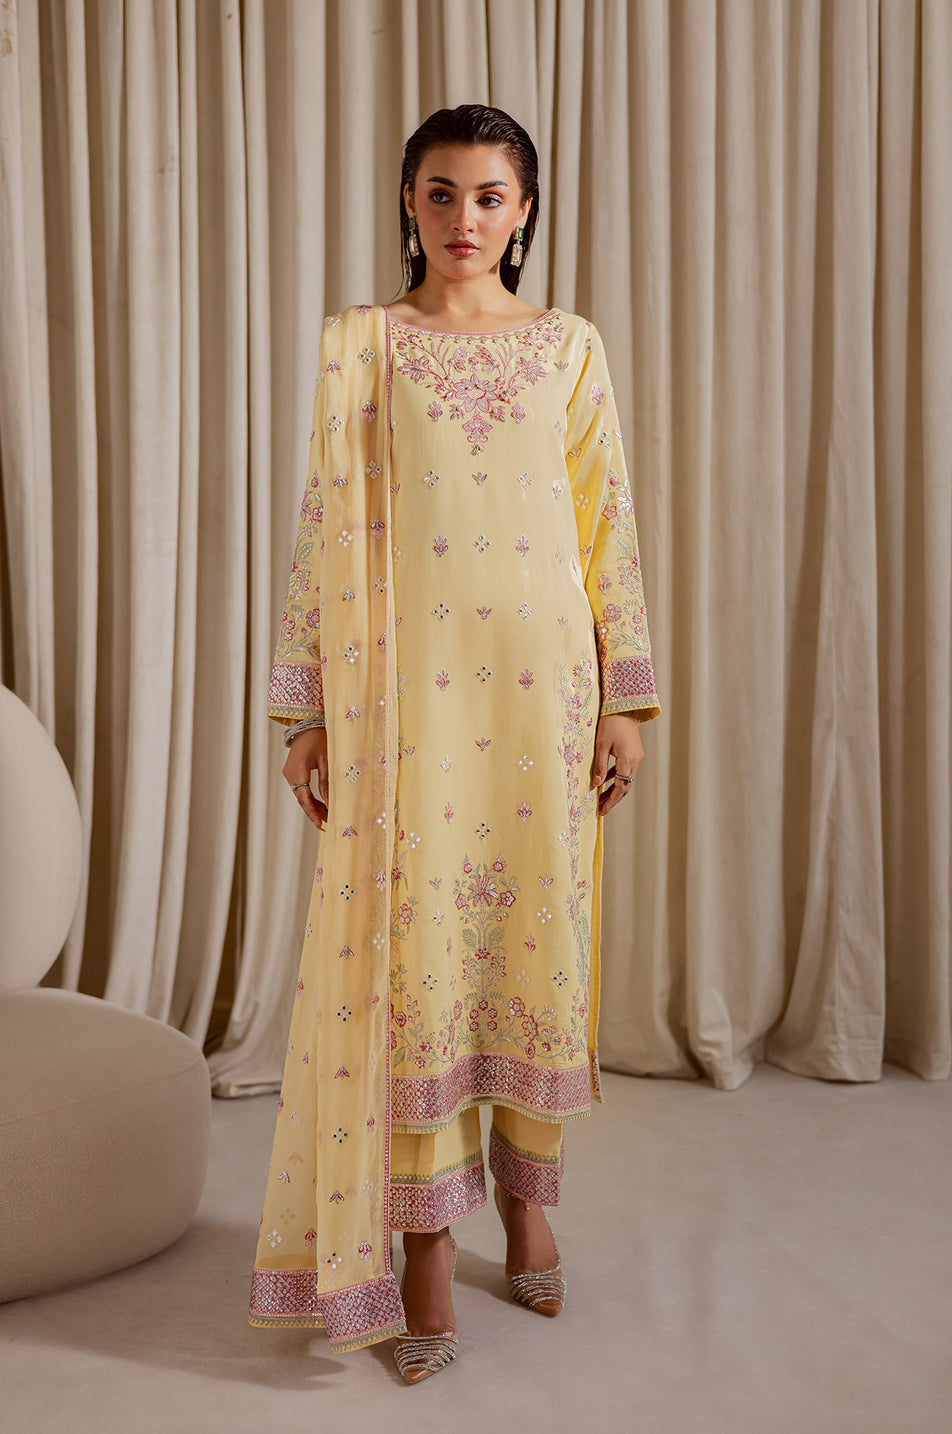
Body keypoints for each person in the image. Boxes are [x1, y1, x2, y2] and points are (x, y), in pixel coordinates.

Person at [247, 103, 660, 1384]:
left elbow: (605, 519)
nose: (463, 219)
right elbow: (323, 528)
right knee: (418, 961)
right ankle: (422, 1246)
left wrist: (626, 698)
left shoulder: (568, 347)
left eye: (489, 196)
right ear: (408, 202)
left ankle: (528, 1203)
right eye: (440, 193)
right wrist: (307, 710)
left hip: (543, 696)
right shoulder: (364, 346)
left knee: (534, 946)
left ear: (524, 210)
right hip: (407, 706)